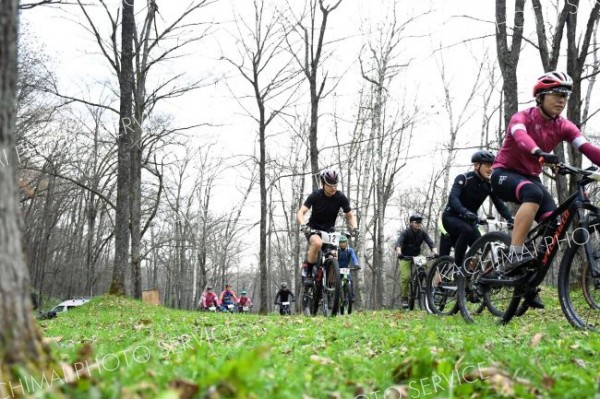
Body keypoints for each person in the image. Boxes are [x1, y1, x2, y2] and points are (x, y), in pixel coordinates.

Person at [490, 71, 600, 309]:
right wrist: (538, 152)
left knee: (556, 223)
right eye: (557, 94)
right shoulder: (522, 117)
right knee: (533, 193)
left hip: (530, 177)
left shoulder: (563, 125)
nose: (562, 100)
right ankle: (514, 254)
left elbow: (586, 147)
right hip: (504, 174)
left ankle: (528, 279)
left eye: (566, 96)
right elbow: (520, 136)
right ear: (540, 96)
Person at [441, 150, 514, 269]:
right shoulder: (464, 178)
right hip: (451, 217)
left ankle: (472, 277)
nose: (491, 169)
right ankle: (458, 268)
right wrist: (465, 212)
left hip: (469, 221)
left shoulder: (489, 185)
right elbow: (453, 198)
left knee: (483, 245)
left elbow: (499, 204)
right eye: (487, 165)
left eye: (492, 166)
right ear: (476, 166)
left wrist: (509, 218)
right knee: (466, 230)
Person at [296, 169, 359, 286]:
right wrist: (303, 225)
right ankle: (308, 272)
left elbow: (350, 215)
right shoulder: (315, 196)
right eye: (330, 185)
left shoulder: (340, 197)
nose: (334, 188)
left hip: (329, 230)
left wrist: (355, 227)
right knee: (317, 243)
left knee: (333, 255)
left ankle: (330, 289)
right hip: (313, 228)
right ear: (323, 184)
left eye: (335, 185)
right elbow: (301, 212)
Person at [395, 213, 438, 308]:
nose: (419, 224)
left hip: (417, 256)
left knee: (431, 269)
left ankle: (434, 292)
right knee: (405, 277)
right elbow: (398, 243)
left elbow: (431, 243)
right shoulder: (406, 232)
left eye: (420, 222)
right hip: (405, 256)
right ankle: (404, 298)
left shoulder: (422, 233)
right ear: (411, 223)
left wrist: (435, 252)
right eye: (417, 222)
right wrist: (399, 253)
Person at [337, 235, 360, 300]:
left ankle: (351, 297)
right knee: (335, 283)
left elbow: (354, 257)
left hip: (345, 269)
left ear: (346, 243)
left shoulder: (350, 250)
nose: (342, 244)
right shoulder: (337, 250)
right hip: (337, 269)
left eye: (344, 242)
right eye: (341, 242)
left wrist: (356, 264)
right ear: (338, 243)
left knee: (350, 281)